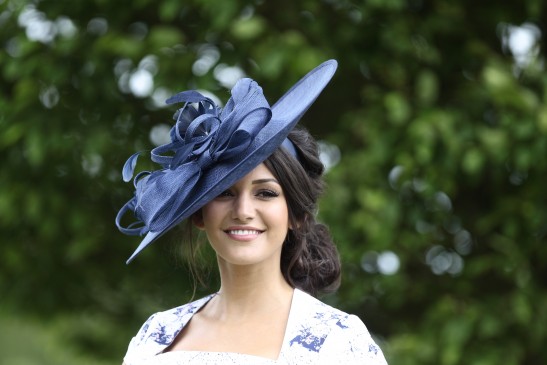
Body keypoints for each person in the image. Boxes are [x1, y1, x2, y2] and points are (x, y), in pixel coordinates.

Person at [116, 60, 388, 364]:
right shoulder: (156, 337)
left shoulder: (338, 341)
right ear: (199, 214)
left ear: (295, 215)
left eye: (266, 193)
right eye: (224, 193)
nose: (243, 210)